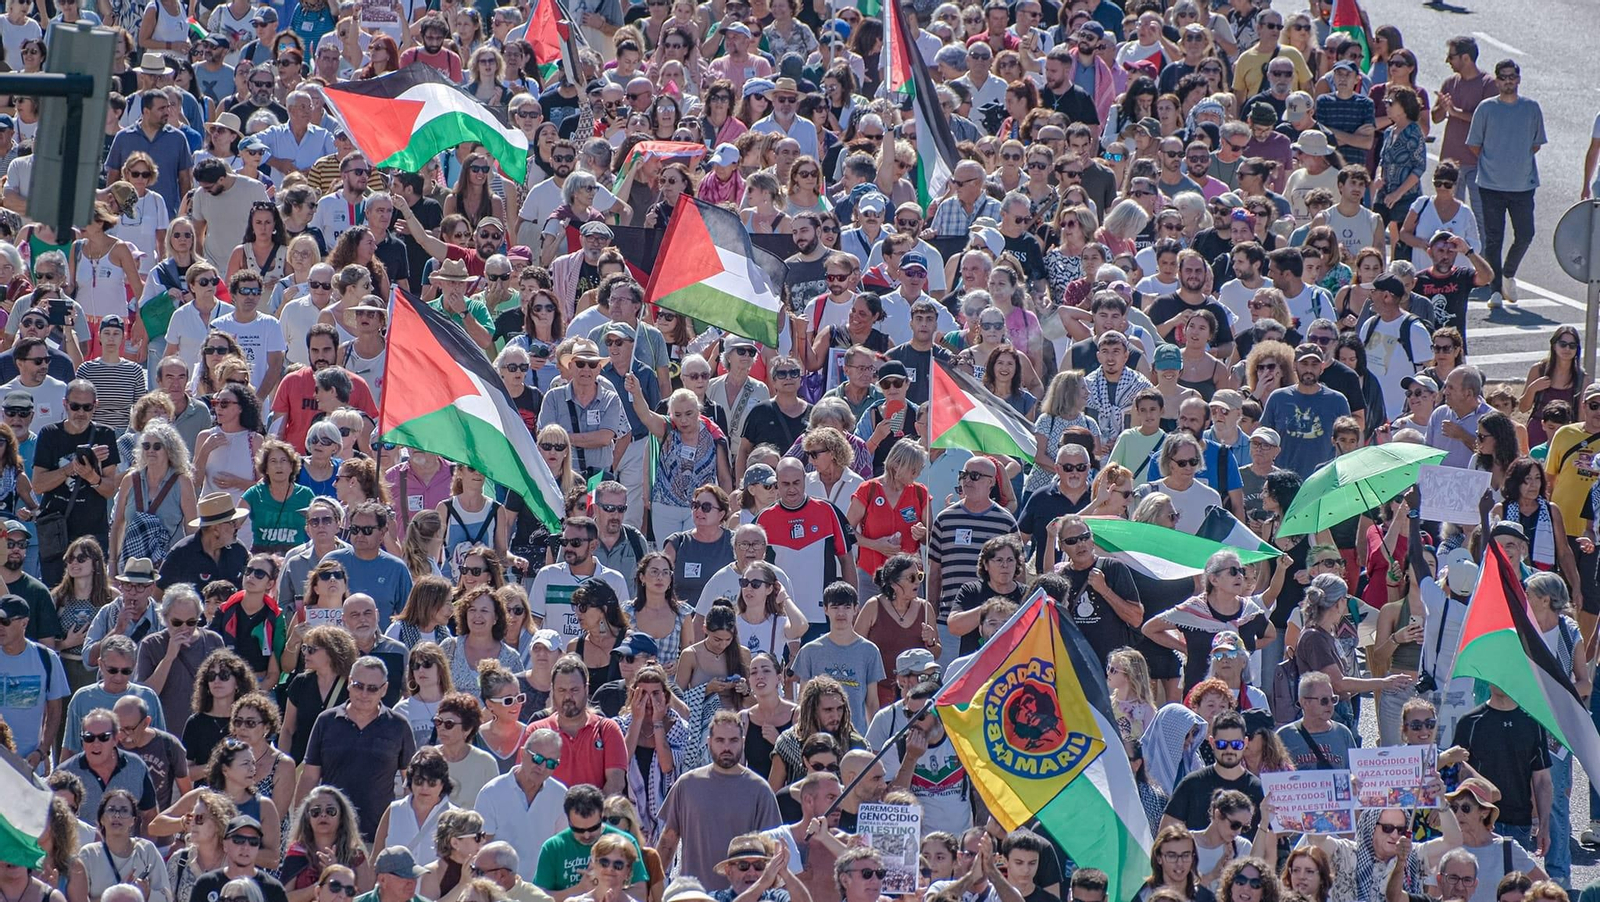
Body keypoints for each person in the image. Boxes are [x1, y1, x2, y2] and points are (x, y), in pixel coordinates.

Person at [294, 656, 417, 842]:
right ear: (349, 684)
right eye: (359, 685)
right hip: (330, 836)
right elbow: (309, 777)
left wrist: (407, 827)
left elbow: (411, 783)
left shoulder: (399, 726)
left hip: (378, 837)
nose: (364, 693)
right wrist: (300, 827)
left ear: (384, 690)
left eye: (372, 688)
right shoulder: (325, 721)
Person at [656, 711, 783, 892]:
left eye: (733, 740)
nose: (726, 747)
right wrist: (652, 889)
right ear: (709, 742)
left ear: (743, 741)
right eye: (720, 740)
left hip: (743, 896)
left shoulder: (760, 790)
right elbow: (667, 843)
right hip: (694, 895)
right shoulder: (687, 784)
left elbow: (771, 853)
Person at [1466, 60, 1544, 308]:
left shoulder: (1531, 108)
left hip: (1523, 185)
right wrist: (1494, 164)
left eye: (1512, 76)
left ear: (1518, 79)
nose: (1508, 81)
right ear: (1497, 80)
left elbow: (1536, 144)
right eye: (1503, 77)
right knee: (1493, 239)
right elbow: (1474, 144)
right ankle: (1495, 289)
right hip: (1491, 185)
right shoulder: (1486, 109)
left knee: (1525, 234)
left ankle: (1509, 273)